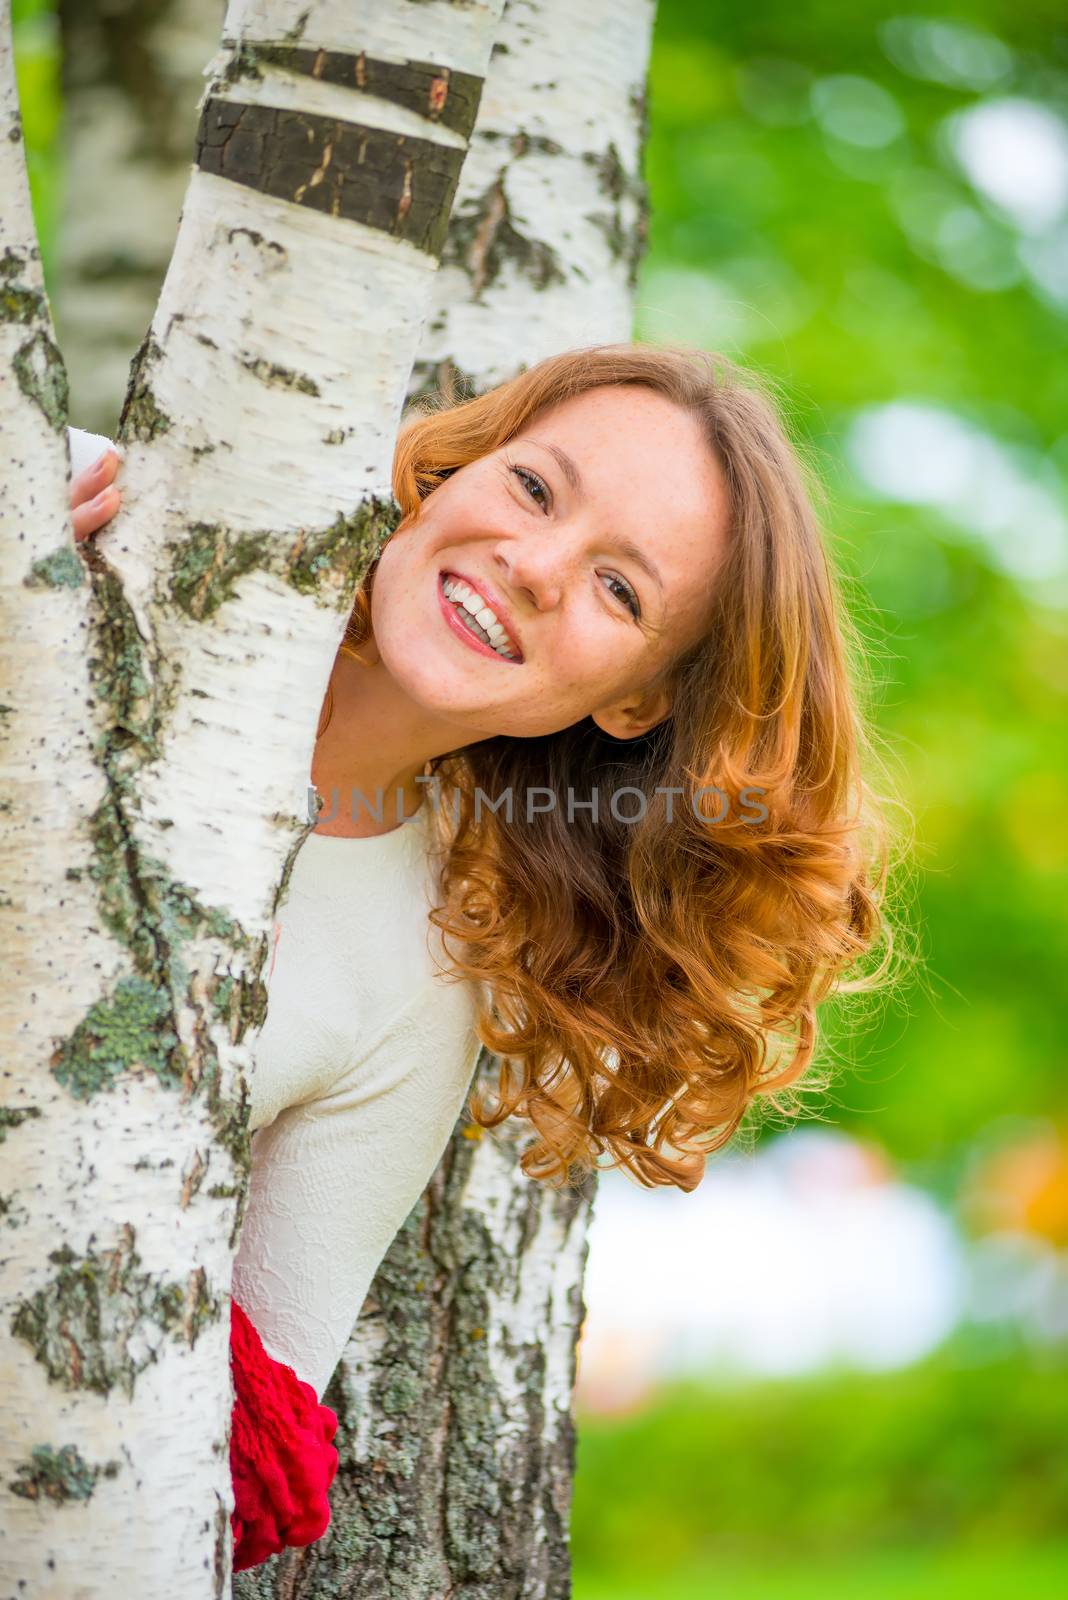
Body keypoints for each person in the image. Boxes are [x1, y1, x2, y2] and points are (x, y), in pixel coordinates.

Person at [68, 341, 899, 1569]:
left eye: (622, 591)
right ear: (453, 470)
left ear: (636, 703)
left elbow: (237, 1468)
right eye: (534, 489)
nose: (536, 567)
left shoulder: (423, 976)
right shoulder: (81, 541)